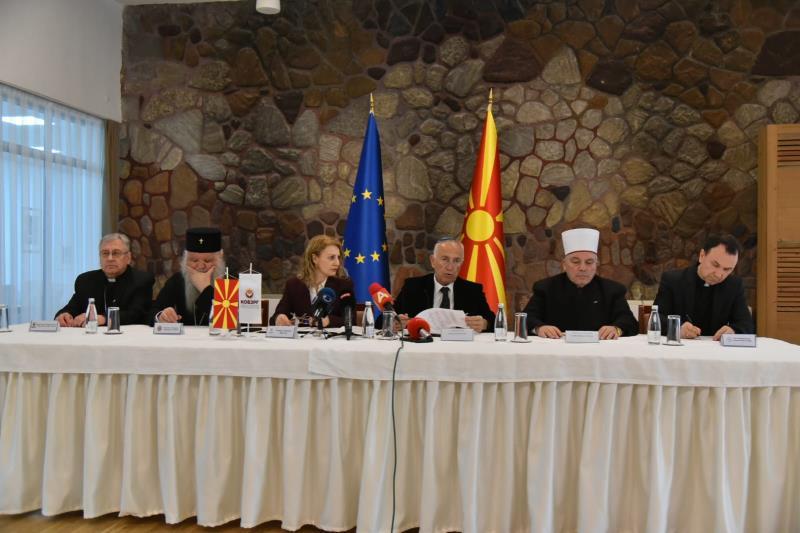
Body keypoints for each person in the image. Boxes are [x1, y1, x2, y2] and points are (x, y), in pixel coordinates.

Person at [523, 228, 638, 339]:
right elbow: (526, 318)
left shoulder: (612, 290)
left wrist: (616, 329)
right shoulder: (546, 288)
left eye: (589, 262)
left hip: (599, 349)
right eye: (575, 262)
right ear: (564, 264)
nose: (582, 268)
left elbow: (629, 321)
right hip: (556, 348)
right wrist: (539, 328)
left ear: (596, 265)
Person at [653, 234, 754, 340]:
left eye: (727, 269)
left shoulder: (734, 285)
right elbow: (657, 317)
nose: (719, 274)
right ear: (702, 256)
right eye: (715, 265)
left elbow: (746, 324)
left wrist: (733, 330)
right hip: (680, 345)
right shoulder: (673, 280)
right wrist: (677, 329)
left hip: (716, 348)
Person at [393, 237, 495, 333]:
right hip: (423, 342)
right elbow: (389, 317)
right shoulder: (413, 287)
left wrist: (484, 324)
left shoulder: (472, 290)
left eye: (456, 261)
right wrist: (397, 322)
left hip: (459, 344)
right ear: (433, 261)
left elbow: (493, 320)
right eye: (445, 259)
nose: (450, 267)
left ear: (462, 263)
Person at [55, 233, 154, 327]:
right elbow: (72, 307)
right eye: (105, 253)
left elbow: (137, 314)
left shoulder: (141, 280)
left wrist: (104, 319)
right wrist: (64, 314)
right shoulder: (85, 280)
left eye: (116, 253)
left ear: (128, 258)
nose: (110, 258)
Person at [270, 235, 354, 327]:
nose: (337, 263)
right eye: (331, 257)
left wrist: (328, 321)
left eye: (338, 257)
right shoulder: (294, 285)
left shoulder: (344, 285)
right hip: (303, 336)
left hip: (331, 336)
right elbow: (276, 316)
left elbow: (352, 320)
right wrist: (279, 318)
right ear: (315, 258)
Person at [152, 227, 225, 326]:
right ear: (185, 260)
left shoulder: (230, 282)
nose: (200, 266)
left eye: (207, 261)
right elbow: (153, 311)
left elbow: (228, 321)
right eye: (194, 260)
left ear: (220, 259)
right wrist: (161, 316)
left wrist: (205, 289)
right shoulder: (177, 280)